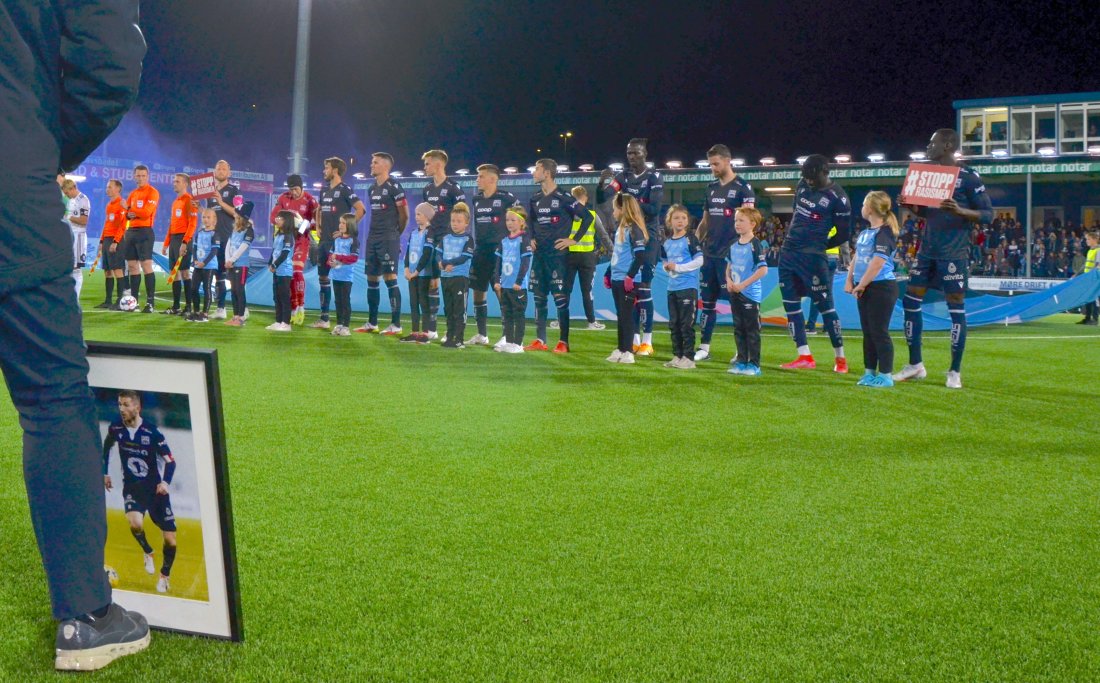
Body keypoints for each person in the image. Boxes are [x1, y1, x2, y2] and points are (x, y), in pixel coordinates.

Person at [0, 2, 149, 669]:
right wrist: (35, 143)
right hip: (9, 182)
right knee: (53, 399)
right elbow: (110, 62)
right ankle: (87, 616)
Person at [894, 129, 993, 389]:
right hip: (926, 252)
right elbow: (929, 215)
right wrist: (912, 208)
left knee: (955, 307)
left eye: (932, 142)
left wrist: (959, 209)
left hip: (954, 254)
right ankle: (915, 364)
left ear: (947, 145)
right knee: (910, 301)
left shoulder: (969, 178)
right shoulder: (929, 176)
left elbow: (988, 214)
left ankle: (954, 371)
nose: (928, 147)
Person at [777, 154, 851, 372]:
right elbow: (796, 213)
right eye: (805, 177)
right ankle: (804, 356)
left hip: (814, 257)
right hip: (788, 253)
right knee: (791, 305)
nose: (808, 181)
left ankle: (841, 359)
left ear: (825, 172)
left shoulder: (839, 198)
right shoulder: (802, 184)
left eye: (812, 178)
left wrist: (820, 244)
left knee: (825, 307)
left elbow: (843, 233)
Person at [102, 390, 178, 595]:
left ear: (137, 407)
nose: (121, 409)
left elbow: (171, 462)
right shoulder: (116, 427)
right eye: (119, 404)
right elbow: (107, 446)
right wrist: (105, 473)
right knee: (135, 524)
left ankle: (164, 576)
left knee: (171, 540)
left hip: (156, 491)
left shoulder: (152, 433)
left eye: (126, 405)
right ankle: (148, 551)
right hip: (133, 488)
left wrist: (165, 482)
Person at [598, 138, 664, 353]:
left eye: (636, 153)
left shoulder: (654, 177)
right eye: (629, 154)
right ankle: (633, 338)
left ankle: (648, 340)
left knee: (643, 288)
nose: (632, 157)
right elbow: (603, 197)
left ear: (645, 153)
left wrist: (631, 203)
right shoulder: (622, 177)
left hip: (648, 235)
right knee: (629, 291)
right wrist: (602, 184)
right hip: (626, 233)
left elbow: (655, 208)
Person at [694, 144, 756, 361]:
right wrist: (694, 243)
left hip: (732, 257)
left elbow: (751, 222)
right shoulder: (711, 188)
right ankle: (704, 347)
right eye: (710, 164)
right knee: (708, 302)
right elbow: (705, 220)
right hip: (709, 254)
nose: (712, 167)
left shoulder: (743, 188)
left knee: (736, 305)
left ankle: (741, 350)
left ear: (728, 161)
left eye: (716, 164)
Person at [526, 158, 594, 353]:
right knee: (539, 297)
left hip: (558, 256)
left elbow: (587, 217)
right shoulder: (535, 198)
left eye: (536, 169)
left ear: (547, 173)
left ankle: (563, 342)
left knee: (560, 298)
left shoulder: (564, 197)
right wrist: (531, 238)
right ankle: (540, 339)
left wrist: (574, 240)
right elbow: (531, 221)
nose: (533, 173)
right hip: (540, 255)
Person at [846, 191, 900, 387]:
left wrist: (861, 284)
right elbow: (857, 258)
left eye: (863, 204)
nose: (861, 208)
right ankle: (869, 372)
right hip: (866, 287)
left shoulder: (885, 232)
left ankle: (886, 374)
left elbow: (877, 263)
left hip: (881, 287)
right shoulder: (865, 233)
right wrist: (849, 279)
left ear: (869, 208)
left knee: (879, 331)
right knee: (868, 332)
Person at [468, 163, 519, 345]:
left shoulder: (507, 198)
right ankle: (482, 334)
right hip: (480, 251)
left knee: (501, 291)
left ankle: (507, 336)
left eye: (480, 176)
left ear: (492, 178)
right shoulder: (476, 199)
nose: (477, 179)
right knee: (478, 291)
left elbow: (520, 221)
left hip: (500, 252)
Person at [312, 157, 365, 329]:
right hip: (324, 241)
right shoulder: (324, 190)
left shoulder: (345, 190)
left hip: (339, 245)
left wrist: (347, 230)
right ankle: (324, 318)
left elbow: (361, 209)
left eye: (326, 167)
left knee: (340, 284)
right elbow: (318, 209)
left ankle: (343, 322)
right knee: (323, 277)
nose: (324, 171)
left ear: (335, 170)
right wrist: (318, 226)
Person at [358, 152, 408, 335]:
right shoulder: (371, 189)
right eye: (372, 162)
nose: (371, 165)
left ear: (385, 166)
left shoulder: (395, 186)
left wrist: (395, 236)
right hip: (372, 239)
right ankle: (372, 323)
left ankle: (396, 324)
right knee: (372, 278)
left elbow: (405, 215)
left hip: (388, 238)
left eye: (375, 162)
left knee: (390, 279)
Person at [725, 207, 769, 376]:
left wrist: (743, 285)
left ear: (752, 224)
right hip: (735, 292)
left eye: (741, 220)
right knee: (738, 328)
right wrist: (728, 281)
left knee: (752, 330)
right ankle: (741, 362)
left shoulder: (754, 245)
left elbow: (763, 270)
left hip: (750, 295)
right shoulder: (733, 245)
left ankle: (754, 365)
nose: (737, 223)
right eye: (736, 220)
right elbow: (728, 267)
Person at [604, 193, 647, 364]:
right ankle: (621, 348)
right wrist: (608, 273)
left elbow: (641, 256)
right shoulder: (621, 229)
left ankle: (628, 351)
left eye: (615, 208)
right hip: (617, 278)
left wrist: (630, 276)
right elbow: (617, 254)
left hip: (627, 280)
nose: (613, 211)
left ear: (622, 209)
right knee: (621, 315)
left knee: (627, 315)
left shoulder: (634, 229)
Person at [270, 174, 318, 325]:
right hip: (286, 240)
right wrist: (289, 223)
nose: (294, 193)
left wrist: (301, 225)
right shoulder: (284, 198)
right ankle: (292, 307)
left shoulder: (310, 200)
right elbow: (273, 218)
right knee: (287, 275)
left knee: (297, 271)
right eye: (291, 190)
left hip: (302, 240)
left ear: (302, 187)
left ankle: (301, 306)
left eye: (296, 189)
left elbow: (316, 224)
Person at [562, 186, 611, 332]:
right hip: (587, 258)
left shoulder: (566, 215)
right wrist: (614, 251)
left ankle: (560, 321)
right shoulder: (592, 215)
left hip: (568, 256)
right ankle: (591, 322)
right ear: (586, 198)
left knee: (565, 290)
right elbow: (603, 236)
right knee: (587, 291)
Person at [660, 205, 703, 369]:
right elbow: (664, 260)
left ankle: (689, 358)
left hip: (688, 287)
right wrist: (666, 266)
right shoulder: (667, 242)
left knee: (686, 324)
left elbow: (700, 260)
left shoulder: (690, 239)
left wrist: (678, 267)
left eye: (683, 218)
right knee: (674, 324)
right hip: (672, 287)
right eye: (677, 218)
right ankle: (677, 356)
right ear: (670, 221)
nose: (680, 221)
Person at [206, 160, 243, 319]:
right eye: (218, 168)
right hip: (214, 238)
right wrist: (199, 208)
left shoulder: (235, 191)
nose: (220, 171)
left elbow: (238, 213)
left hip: (229, 237)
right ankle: (221, 309)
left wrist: (221, 202)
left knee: (233, 275)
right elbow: (211, 213)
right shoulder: (210, 191)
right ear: (214, 171)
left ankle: (242, 308)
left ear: (229, 173)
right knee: (218, 274)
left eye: (224, 168)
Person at [493, 206, 533, 353]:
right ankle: (509, 342)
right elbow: (498, 263)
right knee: (507, 314)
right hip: (505, 286)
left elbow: (525, 263)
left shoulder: (523, 240)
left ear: (521, 222)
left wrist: (519, 281)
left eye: (513, 220)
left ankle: (518, 344)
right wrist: (497, 280)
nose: (509, 223)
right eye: (507, 220)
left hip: (518, 287)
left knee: (518, 314)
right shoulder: (503, 241)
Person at [120, 164, 160, 312]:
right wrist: (128, 212)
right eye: (138, 175)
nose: (141, 178)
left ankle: (150, 303)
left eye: (144, 175)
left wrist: (130, 210)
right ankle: (134, 302)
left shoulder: (153, 192)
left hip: (145, 232)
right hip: (131, 232)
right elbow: (126, 214)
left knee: (146, 265)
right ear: (134, 176)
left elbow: (146, 212)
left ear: (147, 176)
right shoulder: (133, 193)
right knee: (131, 267)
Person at [400, 203, 440, 344]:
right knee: (413, 303)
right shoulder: (413, 233)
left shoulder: (431, 232)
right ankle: (414, 332)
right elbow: (408, 252)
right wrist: (406, 268)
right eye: (416, 214)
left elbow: (427, 254)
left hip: (423, 274)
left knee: (424, 303)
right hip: (412, 274)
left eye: (419, 214)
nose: (416, 217)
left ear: (427, 216)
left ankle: (425, 334)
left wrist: (416, 271)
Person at [438, 202, 476, 348]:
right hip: (445, 277)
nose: (455, 224)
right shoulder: (445, 238)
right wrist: (440, 262)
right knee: (448, 309)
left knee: (459, 309)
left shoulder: (468, 239)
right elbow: (438, 253)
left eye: (459, 221)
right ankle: (449, 336)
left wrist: (447, 262)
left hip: (460, 278)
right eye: (453, 220)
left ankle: (459, 339)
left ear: (466, 223)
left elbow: (464, 257)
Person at [160, 173, 197, 316]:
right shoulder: (176, 202)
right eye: (174, 181)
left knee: (185, 272)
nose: (174, 183)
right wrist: (166, 243)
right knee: (174, 273)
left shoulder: (190, 200)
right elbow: (172, 224)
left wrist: (185, 242)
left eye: (177, 181)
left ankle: (188, 306)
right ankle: (176, 306)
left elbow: (192, 224)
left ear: (185, 184)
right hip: (174, 239)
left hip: (184, 239)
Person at [96, 179, 128, 309]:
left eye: (109, 187)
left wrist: (116, 241)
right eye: (107, 187)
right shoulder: (109, 205)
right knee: (107, 271)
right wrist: (102, 240)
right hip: (107, 239)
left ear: (117, 189)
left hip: (116, 241)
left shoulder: (122, 204)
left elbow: (122, 225)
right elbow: (107, 224)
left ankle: (120, 301)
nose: (107, 189)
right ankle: (108, 300)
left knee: (117, 270)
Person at [328, 213, 360, 336]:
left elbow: (353, 258)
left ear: (350, 225)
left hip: (346, 276)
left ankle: (346, 327)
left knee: (345, 300)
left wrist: (338, 257)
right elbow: (331, 255)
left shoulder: (353, 241)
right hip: (336, 275)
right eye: (340, 222)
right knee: (337, 301)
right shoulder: (336, 240)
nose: (340, 225)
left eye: (343, 223)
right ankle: (339, 324)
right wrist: (330, 262)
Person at [224, 204, 255, 327]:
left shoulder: (249, 230)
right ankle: (235, 316)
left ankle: (241, 317)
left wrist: (232, 259)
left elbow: (243, 247)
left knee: (239, 290)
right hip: (231, 265)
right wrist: (228, 260)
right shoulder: (235, 229)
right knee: (233, 290)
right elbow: (229, 244)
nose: (234, 214)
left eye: (237, 213)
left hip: (241, 265)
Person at [187, 209, 221, 323]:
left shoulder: (215, 234)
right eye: (204, 217)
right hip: (198, 266)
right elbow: (195, 248)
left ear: (214, 220)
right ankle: (196, 312)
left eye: (208, 217)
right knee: (193, 288)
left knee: (207, 289)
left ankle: (205, 314)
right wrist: (195, 260)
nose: (205, 220)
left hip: (209, 266)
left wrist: (204, 263)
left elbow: (214, 251)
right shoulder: (200, 233)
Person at [805, 227, 840, 334]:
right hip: (834, 258)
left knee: (817, 291)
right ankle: (829, 326)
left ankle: (811, 326)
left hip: (821, 257)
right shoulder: (835, 223)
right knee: (827, 293)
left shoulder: (818, 223)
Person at [61, 178, 91, 297]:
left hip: (79, 237)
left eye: (67, 193)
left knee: (76, 269)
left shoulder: (83, 200)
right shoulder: (71, 201)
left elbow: (84, 221)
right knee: (69, 267)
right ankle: (69, 295)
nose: (67, 195)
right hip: (70, 236)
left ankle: (76, 298)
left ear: (73, 188)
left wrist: (68, 217)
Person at [268, 211, 296, 331]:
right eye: (277, 217)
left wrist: (274, 264)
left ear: (287, 221)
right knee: (276, 296)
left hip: (284, 271)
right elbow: (274, 251)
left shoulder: (288, 236)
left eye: (280, 218)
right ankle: (278, 321)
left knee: (284, 297)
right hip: (276, 271)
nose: (277, 219)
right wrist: (270, 263)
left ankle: (286, 323)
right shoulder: (278, 235)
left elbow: (285, 254)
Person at [1079, 231, 1098, 325]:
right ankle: (1087, 318)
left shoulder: (1098, 250)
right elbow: (1086, 263)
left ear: (1095, 239)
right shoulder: (1090, 250)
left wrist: (1093, 274)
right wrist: (1078, 273)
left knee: (1094, 298)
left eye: (1088, 239)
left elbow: (1098, 265)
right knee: (1088, 298)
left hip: (1095, 278)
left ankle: (1095, 319)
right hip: (1088, 277)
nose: (1087, 241)